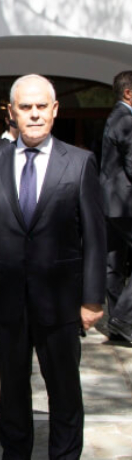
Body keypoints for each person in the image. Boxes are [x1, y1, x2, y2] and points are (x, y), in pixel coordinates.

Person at [0, 74, 105, 460]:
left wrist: (92, 298)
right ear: (12, 113)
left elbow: (95, 237)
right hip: (6, 297)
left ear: (55, 110)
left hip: (61, 300)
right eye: (26, 107)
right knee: (12, 385)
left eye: (42, 106)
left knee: (64, 387)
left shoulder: (79, 163)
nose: (35, 114)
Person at [100, 70, 132, 342]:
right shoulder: (127, 119)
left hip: (110, 204)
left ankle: (117, 325)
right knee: (114, 263)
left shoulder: (114, 117)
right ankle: (122, 317)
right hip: (125, 203)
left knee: (114, 262)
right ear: (128, 93)